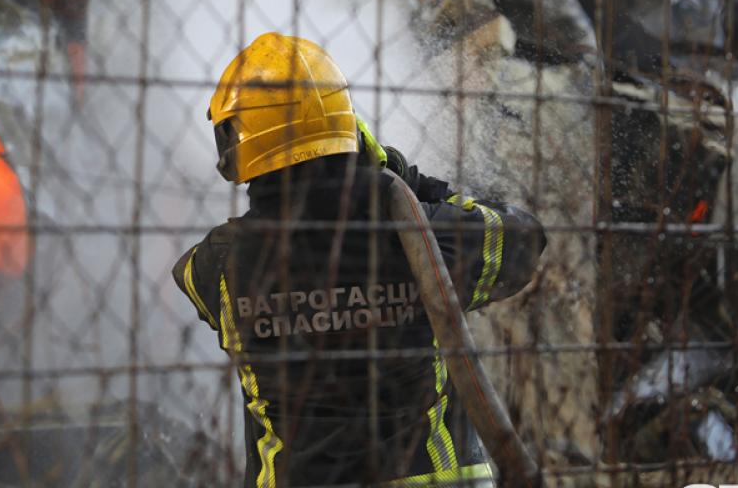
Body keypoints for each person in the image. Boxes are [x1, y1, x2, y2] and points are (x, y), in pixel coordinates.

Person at [173, 33, 546, 487]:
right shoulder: (423, 234)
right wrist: (407, 178)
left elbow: (188, 275)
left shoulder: (218, 265)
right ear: (346, 125)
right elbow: (525, 238)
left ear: (235, 142)